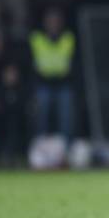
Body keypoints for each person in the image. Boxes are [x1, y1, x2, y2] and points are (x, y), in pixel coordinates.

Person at [29, 8, 75, 147]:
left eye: (56, 22)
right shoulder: (37, 39)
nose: (53, 24)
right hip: (43, 84)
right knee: (41, 117)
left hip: (63, 84)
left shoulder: (68, 38)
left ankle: (65, 151)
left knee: (66, 119)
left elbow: (74, 63)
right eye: (50, 21)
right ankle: (40, 149)